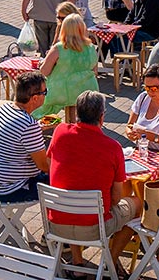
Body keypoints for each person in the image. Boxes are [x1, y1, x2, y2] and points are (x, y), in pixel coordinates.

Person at [47, 91, 137, 272]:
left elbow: (50, 163)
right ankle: (109, 262)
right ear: (102, 117)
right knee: (138, 205)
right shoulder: (113, 147)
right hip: (94, 228)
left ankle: (78, 262)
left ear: (77, 112)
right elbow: (115, 199)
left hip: (56, 224)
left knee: (73, 193)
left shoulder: (60, 132)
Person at [0, 72, 53, 202]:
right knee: (68, 179)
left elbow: (15, 136)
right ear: (34, 98)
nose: (46, 95)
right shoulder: (28, 125)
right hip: (14, 189)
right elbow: (44, 166)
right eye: (44, 92)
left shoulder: (2, 109)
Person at [34, 13, 100, 119]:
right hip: (88, 90)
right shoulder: (91, 47)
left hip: (62, 91)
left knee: (39, 101)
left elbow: (44, 72)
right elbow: (95, 71)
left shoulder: (59, 48)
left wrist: (44, 63)